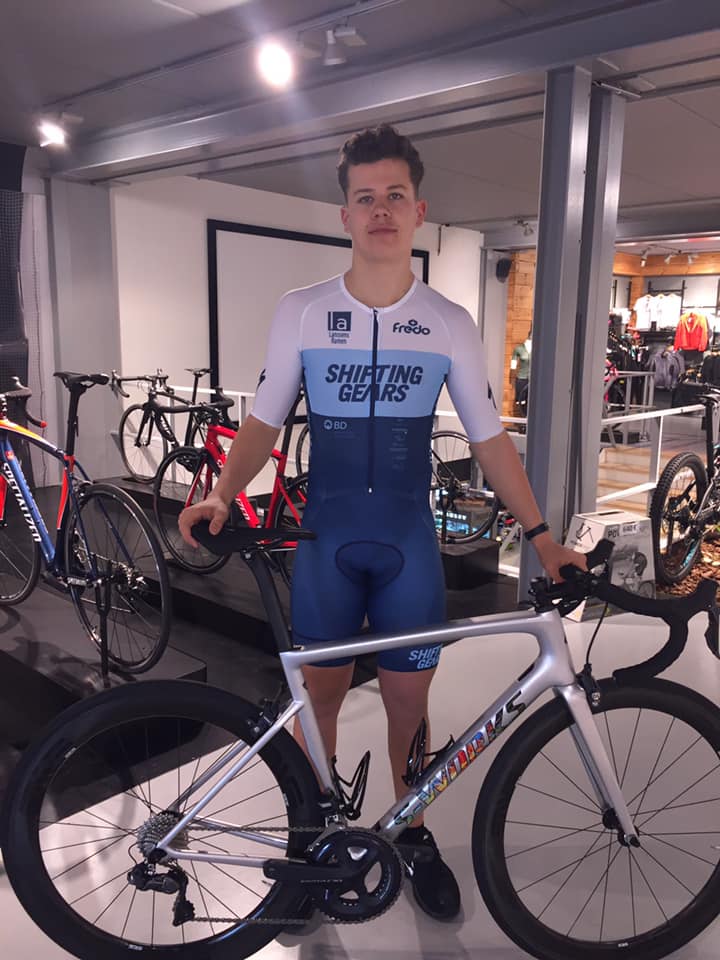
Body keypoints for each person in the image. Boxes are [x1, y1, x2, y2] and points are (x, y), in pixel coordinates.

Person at [179, 124, 586, 922]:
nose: (380, 210)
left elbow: (489, 440)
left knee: (408, 707)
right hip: (326, 545)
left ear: (418, 210)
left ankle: (413, 832)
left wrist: (543, 538)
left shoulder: (448, 320)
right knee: (318, 707)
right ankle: (311, 847)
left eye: (395, 195)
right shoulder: (302, 311)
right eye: (365, 197)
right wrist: (223, 494)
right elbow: (262, 422)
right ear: (345, 214)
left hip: (407, 549)